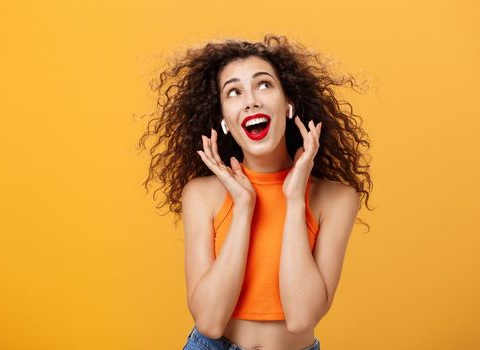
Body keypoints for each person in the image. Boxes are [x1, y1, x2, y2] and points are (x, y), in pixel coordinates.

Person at [137, 34, 373, 349]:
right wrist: (244, 207)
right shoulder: (201, 194)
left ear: (288, 103)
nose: (251, 100)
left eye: (264, 85)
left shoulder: (337, 199)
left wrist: (293, 201)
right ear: (223, 119)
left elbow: (302, 317)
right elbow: (209, 321)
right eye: (234, 91)